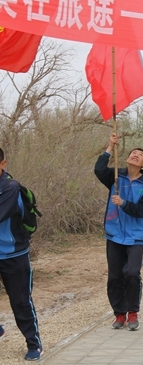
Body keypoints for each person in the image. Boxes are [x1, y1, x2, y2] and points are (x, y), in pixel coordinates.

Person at [94, 133, 143, 332]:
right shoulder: (115, 177)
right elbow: (98, 169)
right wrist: (110, 146)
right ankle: (119, 314)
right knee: (114, 276)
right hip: (114, 234)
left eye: (140, 154)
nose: (135, 155)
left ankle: (133, 312)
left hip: (136, 235)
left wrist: (124, 204)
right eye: (133, 153)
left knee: (131, 273)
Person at [0, 147, 43, 360]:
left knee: (20, 301)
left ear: (3, 164)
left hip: (13, 254)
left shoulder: (10, 188)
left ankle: (33, 343)